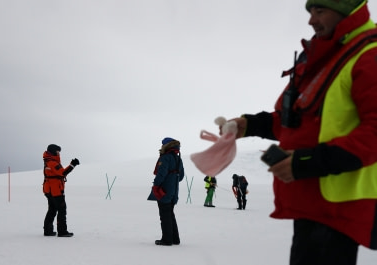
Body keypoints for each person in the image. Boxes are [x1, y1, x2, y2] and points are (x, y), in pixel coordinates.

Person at [222, 1, 377, 264]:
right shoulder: (328, 56)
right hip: (311, 201)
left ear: (345, 9)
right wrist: (249, 125)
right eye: (310, 12)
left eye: (320, 11)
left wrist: (304, 162)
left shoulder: (368, 56)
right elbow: (297, 120)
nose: (311, 21)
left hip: (338, 208)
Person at [147, 137, 185, 246]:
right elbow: (181, 176)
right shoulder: (178, 158)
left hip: (164, 190)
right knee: (170, 214)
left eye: (162, 144)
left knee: (165, 215)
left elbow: (161, 174)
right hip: (174, 191)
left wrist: (156, 185)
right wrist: (173, 179)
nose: (161, 146)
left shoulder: (165, 158)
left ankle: (167, 240)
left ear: (167, 145)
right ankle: (175, 239)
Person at [42, 144, 79, 237]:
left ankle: (48, 230)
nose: (59, 153)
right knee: (61, 209)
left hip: (50, 190)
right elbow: (62, 173)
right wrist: (72, 165)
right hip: (55, 191)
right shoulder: (52, 163)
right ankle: (62, 231)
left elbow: (59, 173)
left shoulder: (48, 161)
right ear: (54, 151)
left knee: (52, 209)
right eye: (58, 151)